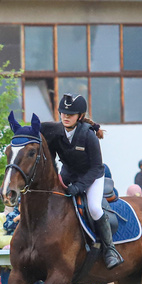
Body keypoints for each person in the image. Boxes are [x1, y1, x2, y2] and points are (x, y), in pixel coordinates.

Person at [39, 96, 122, 269]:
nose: (65, 116)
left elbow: (95, 167)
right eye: (63, 113)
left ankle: (109, 249)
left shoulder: (88, 136)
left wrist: (79, 187)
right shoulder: (54, 131)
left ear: (80, 116)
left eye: (71, 114)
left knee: (94, 207)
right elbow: (51, 159)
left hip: (92, 177)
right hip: (68, 174)